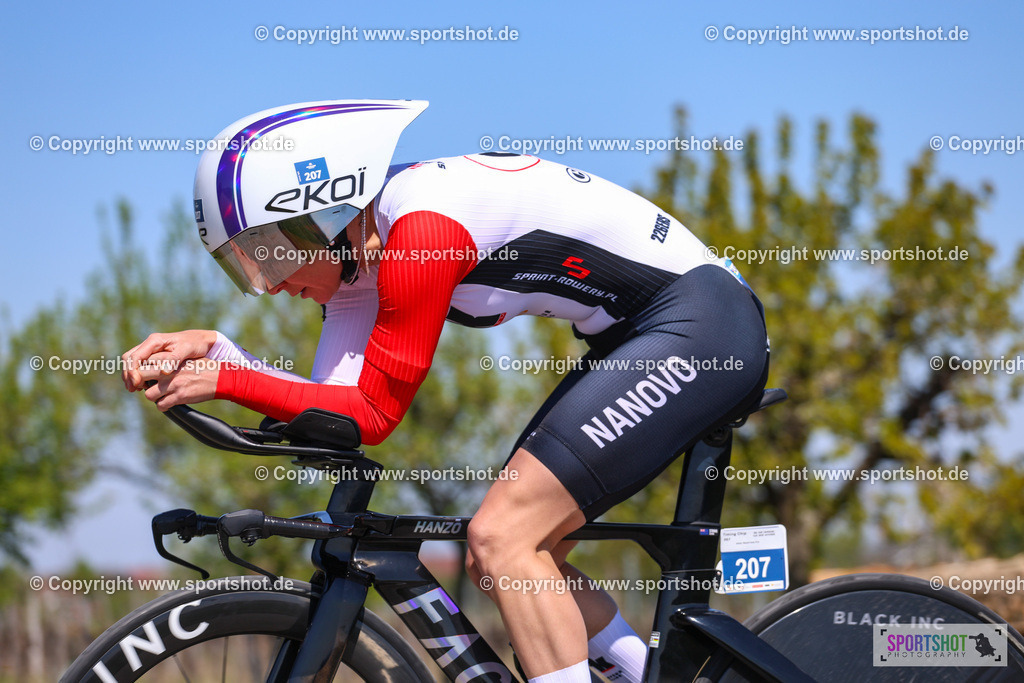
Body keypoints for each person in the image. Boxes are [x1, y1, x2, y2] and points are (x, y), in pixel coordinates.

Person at [121, 99, 770, 683]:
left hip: (702, 324)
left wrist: (231, 379)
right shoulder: (360, 264)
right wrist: (222, 356)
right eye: (242, 266)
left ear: (320, 215)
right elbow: (333, 412)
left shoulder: (420, 232)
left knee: (504, 538)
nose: (266, 283)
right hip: (637, 335)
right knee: (510, 562)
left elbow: (374, 413)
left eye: (265, 252)